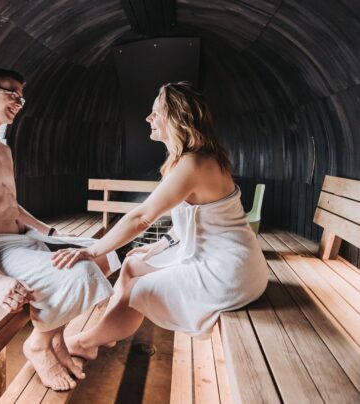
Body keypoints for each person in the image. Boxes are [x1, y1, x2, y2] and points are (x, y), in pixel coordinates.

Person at [52, 82, 268, 360]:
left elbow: (142, 217)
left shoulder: (194, 164)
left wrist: (91, 251)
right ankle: (107, 331)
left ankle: (85, 343)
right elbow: (191, 219)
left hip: (228, 272)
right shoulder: (193, 159)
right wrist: (161, 245)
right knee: (131, 263)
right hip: (228, 258)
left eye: (155, 112)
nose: (148, 118)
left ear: (177, 118)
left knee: (137, 291)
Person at [0, 68, 120, 391]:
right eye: (12, 94)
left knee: (105, 254)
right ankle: (38, 344)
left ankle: (57, 338)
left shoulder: (3, 150)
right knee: (84, 271)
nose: (19, 103)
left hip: (25, 239)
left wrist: (47, 231)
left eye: (22, 98)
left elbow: (11, 205)